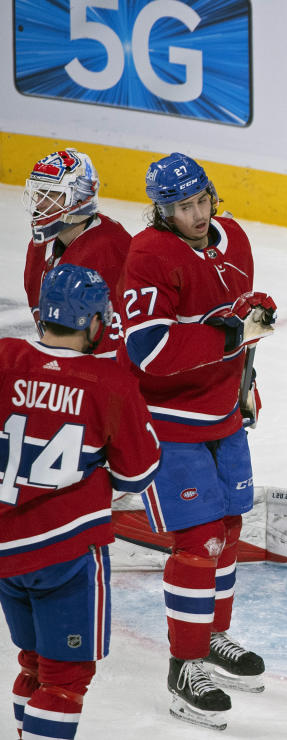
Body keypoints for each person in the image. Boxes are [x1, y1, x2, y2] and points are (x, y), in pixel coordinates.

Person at [119, 152, 277, 730]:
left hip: (222, 415)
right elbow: (148, 350)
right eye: (181, 207)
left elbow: (237, 320)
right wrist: (231, 334)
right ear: (162, 211)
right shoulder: (148, 253)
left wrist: (246, 378)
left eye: (201, 200)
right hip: (167, 419)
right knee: (198, 540)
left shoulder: (233, 237)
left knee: (231, 527)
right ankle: (183, 666)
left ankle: (211, 637)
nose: (195, 213)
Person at [0, 264, 160, 739]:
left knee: (34, 664)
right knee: (65, 680)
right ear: (94, 323)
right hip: (65, 554)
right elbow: (137, 474)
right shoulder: (108, 383)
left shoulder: (5, 357)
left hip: (6, 553)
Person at [22, 148, 130, 358]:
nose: (39, 205)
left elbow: (111, 350)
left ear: (80, 198)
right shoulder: (43, 243)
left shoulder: (107, 252)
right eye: (39, 193)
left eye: (52, 194)